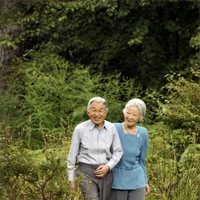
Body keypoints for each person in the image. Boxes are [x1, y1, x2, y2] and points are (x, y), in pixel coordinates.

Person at [67, 96, 123, 200]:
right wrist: (71, 179)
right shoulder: (80, 129)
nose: (97, 114)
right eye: (93, 110)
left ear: (105, 112)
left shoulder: (111, 128)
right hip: (85, 172)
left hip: (106, 172)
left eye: (100, 110)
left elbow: (118, 152)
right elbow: (72, 154)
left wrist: (108, 166)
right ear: (88, 112)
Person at [110, 98, 150, 200]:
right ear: (124, 112)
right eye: (128, 113)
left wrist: (145, 181)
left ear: (140, 117)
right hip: (117, 180)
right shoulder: (114, 128)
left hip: (137, 180)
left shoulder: (143, 133)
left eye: (134, 115)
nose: (130, 117)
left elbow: (142, 161)